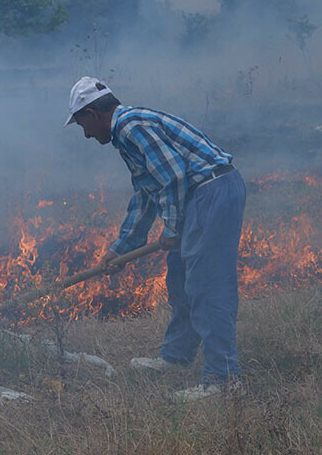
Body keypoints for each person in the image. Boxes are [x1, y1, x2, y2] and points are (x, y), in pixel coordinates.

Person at [64, 77, 246, 402]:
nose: (87, 135)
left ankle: (223, 381)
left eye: (83, 126)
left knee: (207, 286)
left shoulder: (131, 126)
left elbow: (174, 175)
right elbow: (145, 196)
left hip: (210, 194)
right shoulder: (127, 133)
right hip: (200, 196)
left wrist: (173, 230)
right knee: (180, 278)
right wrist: (121, 249)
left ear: (93, 114)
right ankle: (176, 358)